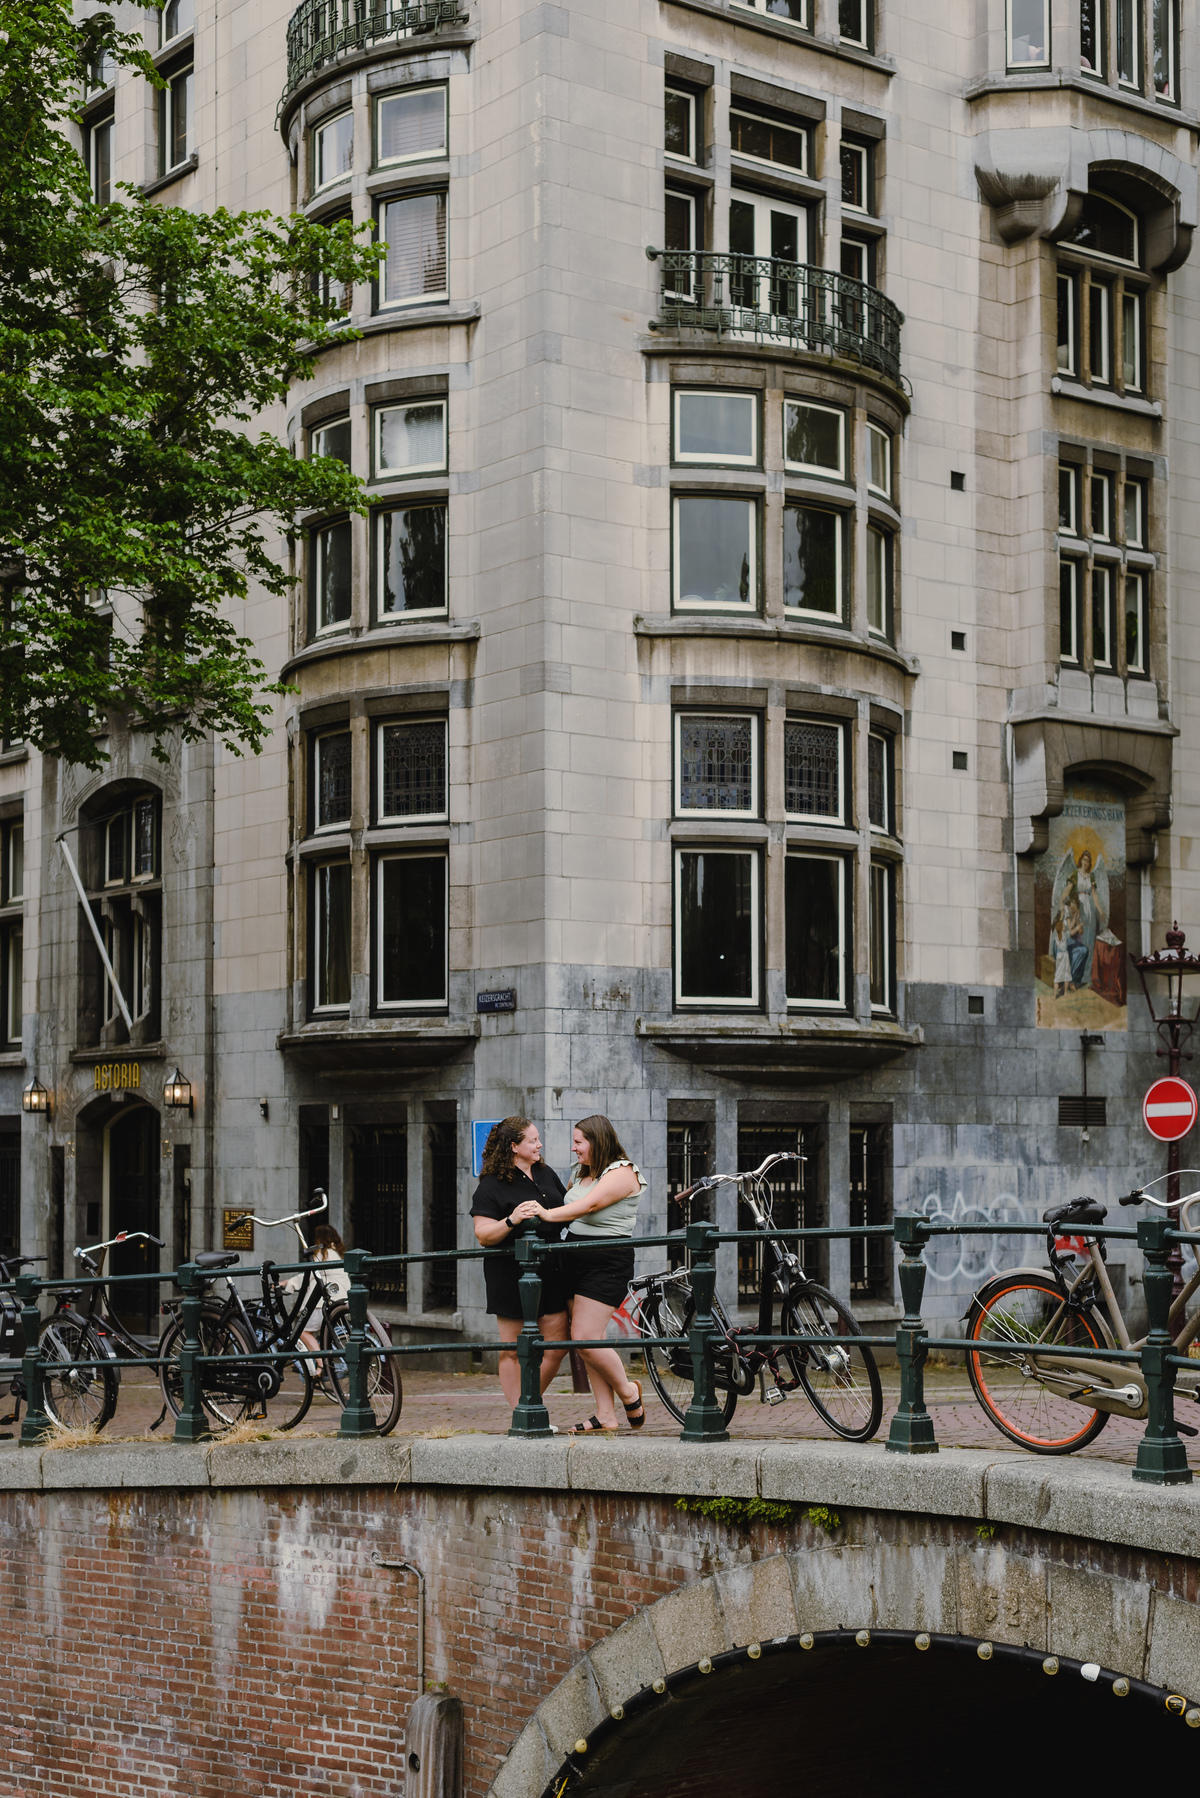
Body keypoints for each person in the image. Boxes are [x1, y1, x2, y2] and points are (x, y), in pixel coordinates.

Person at [522, 1113, 646, 1435]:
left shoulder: (622, 1172)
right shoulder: (580, 1173)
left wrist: (546, 1214)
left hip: (606, 1260)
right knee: (590, 1340)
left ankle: (630, 1392)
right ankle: (606, 1415)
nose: (574, 1149)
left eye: (578, 1142)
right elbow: (569, 1207)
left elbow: (589, 1206)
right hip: (573, 1258)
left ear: (596, 1140)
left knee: (586, 1338)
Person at [470, 1117, 570, 1409]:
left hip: (550, 1265)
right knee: (513, 1349)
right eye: (533, 1140)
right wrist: (512, 1219)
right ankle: (520, 1412)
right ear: (514, 1146)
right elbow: (483, 1235)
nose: (539, 1144)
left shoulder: (544, 1172)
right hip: (510, 1270)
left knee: (556, 1343)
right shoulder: (491, 1185)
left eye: (538, 1139)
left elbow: (565, 1208)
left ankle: (527, 1403)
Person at [281, 1223, 351, 1386]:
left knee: (302, 1332)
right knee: (320, 1334)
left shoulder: (323, 1253)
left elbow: (311, 1274)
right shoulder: (338, 1253)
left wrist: (287, 1283)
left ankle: (321, 1365)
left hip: (322, 1303)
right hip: (339, 1302)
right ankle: (322, 1363)